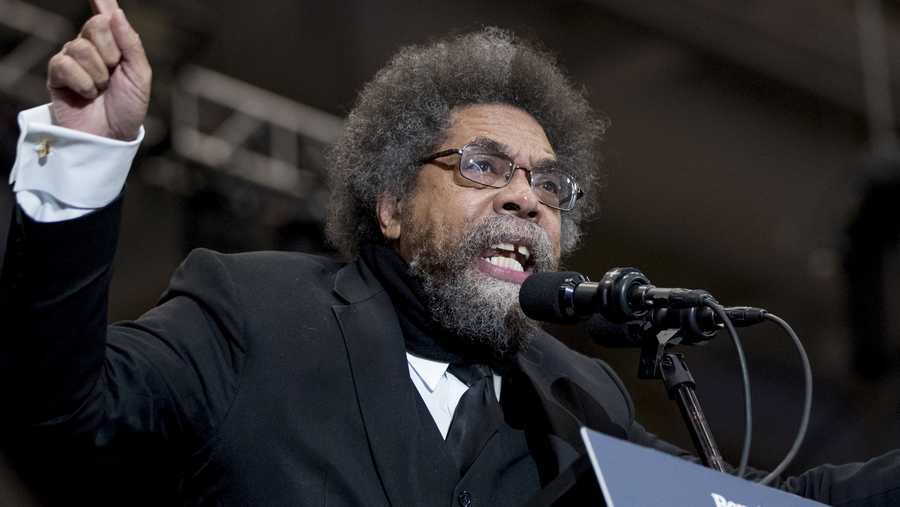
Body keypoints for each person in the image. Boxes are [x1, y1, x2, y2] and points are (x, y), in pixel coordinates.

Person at [2, 1, 899, 506]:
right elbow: (59, 411)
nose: (525, 196)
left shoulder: (580, 399)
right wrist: (81, 160)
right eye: (483, 165)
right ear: (391, 202)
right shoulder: (253, 310)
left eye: (550, 186)